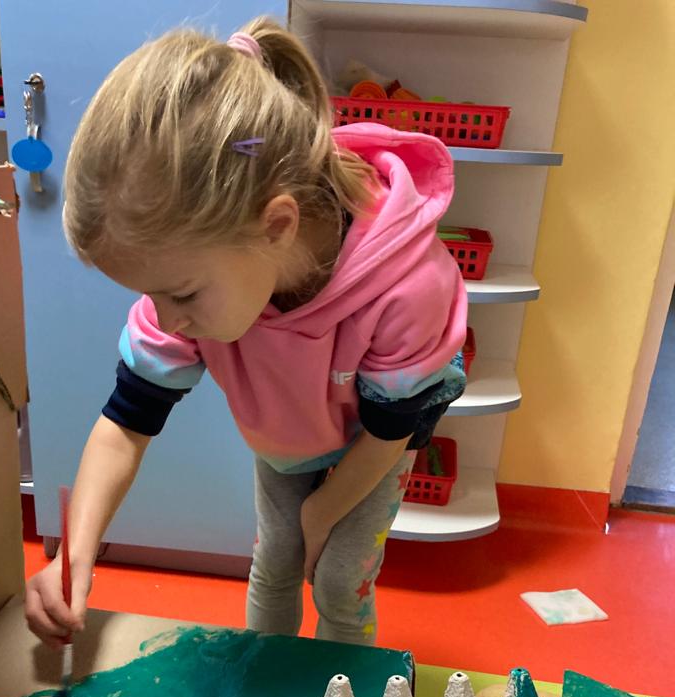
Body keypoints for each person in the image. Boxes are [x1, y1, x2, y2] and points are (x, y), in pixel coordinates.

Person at [25, 18, 467, 651]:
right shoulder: (208, 267)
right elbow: (125, 426)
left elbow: (388, 433)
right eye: (153, 296)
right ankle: (264, 681)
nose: (167, 320)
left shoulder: (408, 286)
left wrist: (320, 514)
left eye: (181, 295)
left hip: (375, 440)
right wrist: (74, 559)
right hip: (287, 431)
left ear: (276, 227)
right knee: (275, 562)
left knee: (340, 579)